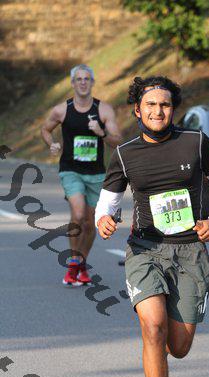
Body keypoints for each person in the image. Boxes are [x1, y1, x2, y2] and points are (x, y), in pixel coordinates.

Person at [95, 75, 209, 377]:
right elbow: (108, 201)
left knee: (179, 346)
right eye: (151, 105)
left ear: (173, 109)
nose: (158, 111)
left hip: (190, 251)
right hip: (145, 250)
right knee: (153, 326)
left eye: (165, 105)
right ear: (137, 110)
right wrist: (104, 219)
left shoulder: (195, 142)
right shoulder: (125, 153)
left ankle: (163, 350)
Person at [41, 64, 122, 286]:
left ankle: (81, 262)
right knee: (77, 214)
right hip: (71, 170)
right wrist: (52, 144)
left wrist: (101, 132)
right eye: (79, 79)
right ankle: (73, 262)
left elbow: (117, 141)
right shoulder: (62, 110)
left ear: (92, 82)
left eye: (87, 78)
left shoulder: (104, 110)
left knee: (90, 222)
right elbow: (45, 129)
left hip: (96, 173)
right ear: (72, 83)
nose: (83, 82)